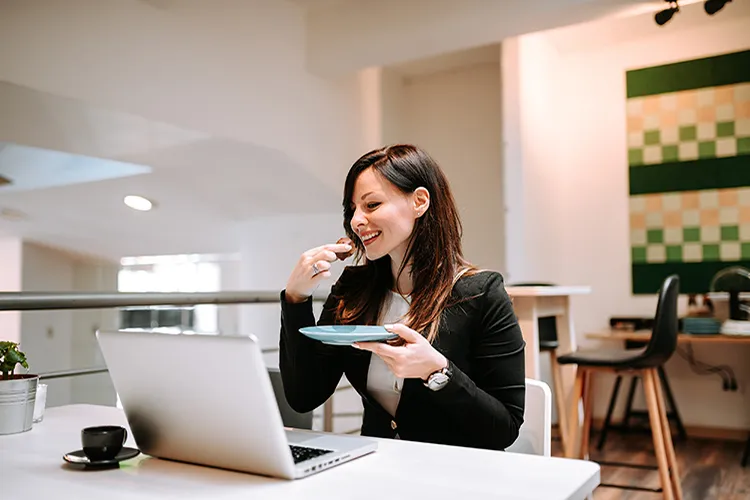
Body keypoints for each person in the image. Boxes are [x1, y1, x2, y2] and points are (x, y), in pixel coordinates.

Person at [279, 144, 526, 451]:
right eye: (352, 209)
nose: (356, 220)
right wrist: (295, 299)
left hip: (458, 472)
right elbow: (304, 396)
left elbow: (505, 428)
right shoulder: (354, 290)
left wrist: (438, 372)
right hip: (377, 464)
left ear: (419, 201)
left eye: (371, 205)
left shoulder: (481, 293)